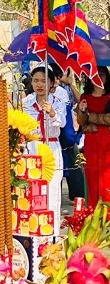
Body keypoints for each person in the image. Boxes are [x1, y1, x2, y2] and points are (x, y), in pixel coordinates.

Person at [76, 66, 110, 207]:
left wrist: (91, 116)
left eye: (102, 75)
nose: (99, 78)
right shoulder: (84, 97)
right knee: (92, 174)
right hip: (91, 140)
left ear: (107, 77)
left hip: (109, 139)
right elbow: (81, 122)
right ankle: (93, 209)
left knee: (109, 174)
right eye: (95, 75)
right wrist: (81, 111)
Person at [22, 64, 66, 221]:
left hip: (51, 147)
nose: (39, 85)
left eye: (43, 81)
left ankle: (52, 233)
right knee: (31, 189)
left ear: (52, 83)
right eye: (36, 81)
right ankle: (33, 233)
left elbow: (62, 123)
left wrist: (53, 113)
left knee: (52, 189)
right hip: (31, 148)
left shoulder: (58, 101)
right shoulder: (26, 102)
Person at [56, 67, 84, 200]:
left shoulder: (63, 90)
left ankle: (78, 196)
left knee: (74, 167)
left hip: (68, 134)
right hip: (57, 135)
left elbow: (80, 102)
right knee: (57, 169)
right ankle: (58, 196)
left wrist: (71, 83)